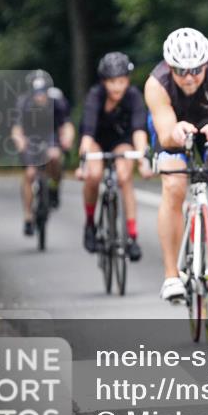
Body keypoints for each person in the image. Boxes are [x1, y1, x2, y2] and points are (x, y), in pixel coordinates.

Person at [145, 28, 208, 303]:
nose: (189, 78)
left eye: (196, 70)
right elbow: (164, 133)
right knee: (174, 187)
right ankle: (171, 275)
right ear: (169, 67)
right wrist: (175, 132)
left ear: (206, 64)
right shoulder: (156, 83)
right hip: (175, 128)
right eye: (181, 71)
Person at [76, 52, 153, 260]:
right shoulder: (95, 96)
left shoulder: (134, 97)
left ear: (127, 80)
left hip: (122, 141)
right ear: (104, 82)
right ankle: (90, 223)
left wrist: (143, 160)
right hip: (97, 140)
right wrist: (83, 164)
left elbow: (139, 130)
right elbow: (88, 133)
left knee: (124, 176)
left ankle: (132, 236)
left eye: (121, 81)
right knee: (93, 175)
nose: (116, 87)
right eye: (111, 82)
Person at [10, 70, 74, 236]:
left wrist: (66, 139)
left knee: (55, 158)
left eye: (43, 93)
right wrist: (19, 141)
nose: (40, 97)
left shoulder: (57, 101)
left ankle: (53, 187)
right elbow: (17, 128)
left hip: (50, 136)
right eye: (36, 94)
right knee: (30, 174)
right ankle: (28, 216)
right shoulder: (23, 102)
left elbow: (66, 125)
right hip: (30, 138)